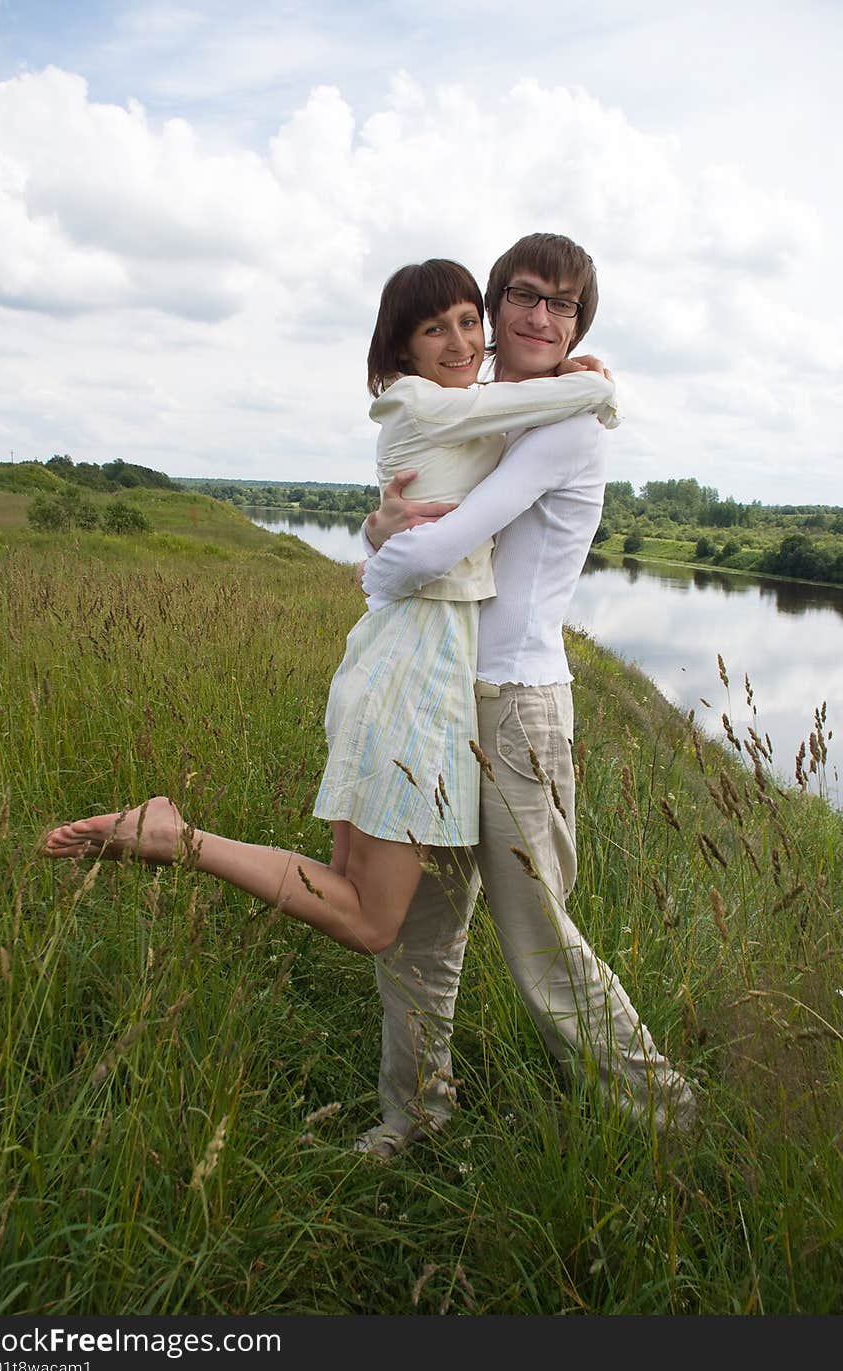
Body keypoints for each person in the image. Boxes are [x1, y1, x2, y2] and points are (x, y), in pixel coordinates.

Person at [43, 257, 616, 967]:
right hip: (418, 668)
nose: (460, 341)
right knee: (374, 922)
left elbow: (500, 425)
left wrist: (565, 379)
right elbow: (414, 558)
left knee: (360, 897)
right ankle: (177, 838)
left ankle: (179, 837)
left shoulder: (470, 414)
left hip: (399, 660)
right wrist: (594, 389)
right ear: (401, 350)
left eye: (467, 322)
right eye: (436, 328)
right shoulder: (428, 403)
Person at [354, 232, 696, 1158]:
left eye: (565, 305)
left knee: (537, 937)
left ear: (580, 321)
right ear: (497, 304)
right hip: (441, 699)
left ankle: (669, 1119)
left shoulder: (564, 422)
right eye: (525, 297)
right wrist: (379, 524)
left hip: (516, 707)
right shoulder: (488, 408)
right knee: (420, 928)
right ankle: (413, 1116)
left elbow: (428, 551)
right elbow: (407, 530)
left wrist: (384, 548)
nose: (542, 317)